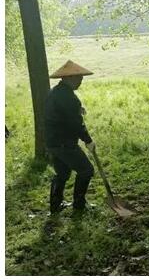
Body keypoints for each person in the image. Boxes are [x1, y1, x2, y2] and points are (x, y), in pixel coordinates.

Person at [44, 60, 96, 214]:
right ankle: (79, 204)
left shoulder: (55, 92)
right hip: (64, 143)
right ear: (67, 78)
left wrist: (77, 109)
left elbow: (61, 112)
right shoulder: (69, 98)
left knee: (62, 173)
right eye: (78, 78)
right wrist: (88, 141)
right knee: (86, 170)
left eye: (81, 78)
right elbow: (76, 124)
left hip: (53, 141)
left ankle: (55, 205)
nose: (80, 81)